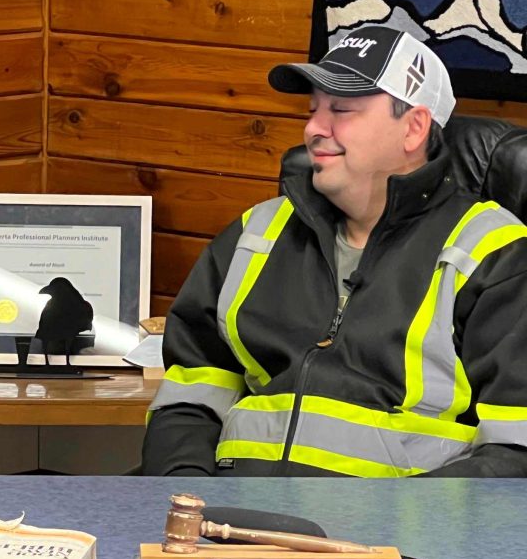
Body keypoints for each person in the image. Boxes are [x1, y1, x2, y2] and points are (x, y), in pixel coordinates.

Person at [142, 25, 527, 477]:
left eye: (341, 110)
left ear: (414, 128)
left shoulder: (493, 253)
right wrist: (186, 495)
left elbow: (513, 455)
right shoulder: (256, 233)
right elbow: (190, 396)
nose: (312, 129)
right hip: (231, 525)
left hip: (397, 539)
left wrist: (398, 533)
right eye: (312, 110)